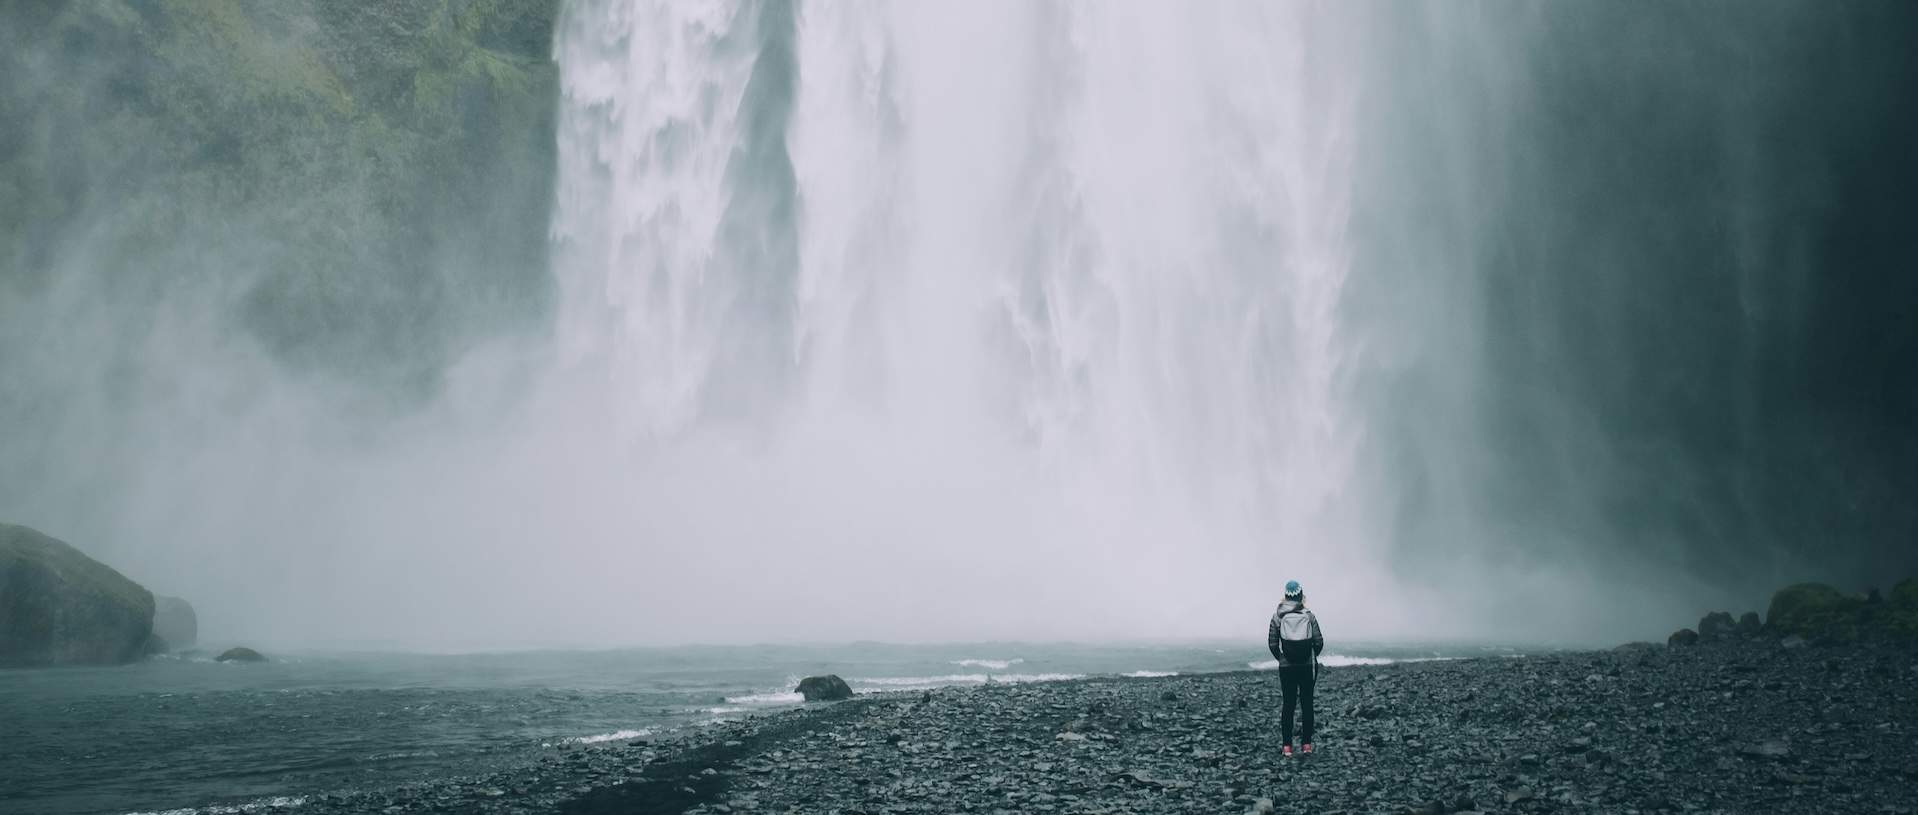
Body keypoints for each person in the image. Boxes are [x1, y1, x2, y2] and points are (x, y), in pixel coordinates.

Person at [1266, 579, 1324, 757]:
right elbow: (1319, 641)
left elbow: (1272, 643)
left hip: (1286, 667)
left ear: (1285, 596)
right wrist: (1310, 655)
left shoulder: (1277, 616)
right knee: (1307, 704)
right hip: (1307, 666)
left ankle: (1287, 747)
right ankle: (1306, 745)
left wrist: (1282, 658)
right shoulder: (1309, 615)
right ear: (1300, 596)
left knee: (1288, 705)